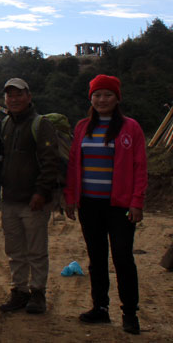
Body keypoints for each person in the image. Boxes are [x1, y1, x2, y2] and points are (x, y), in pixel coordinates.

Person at [64, 75, 146, 335]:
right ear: (91, 98)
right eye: (97, 95)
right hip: (89, 204)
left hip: (119, 206)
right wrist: (70, 197)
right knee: (96, 258)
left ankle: (130, 313)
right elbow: (74, 164)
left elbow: (140, 167)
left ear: (117, 98)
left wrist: (137, 202)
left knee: (123, 257)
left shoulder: (130, 128)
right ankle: (100, 307)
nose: (102, 100)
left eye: (107, 95)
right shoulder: (82, 127)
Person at [0, 78, 64, 315]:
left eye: (18, 94)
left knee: (36, 249)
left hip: (34, 200)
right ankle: (19, 290)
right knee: (14, 250)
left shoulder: (40, 124)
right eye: (9, 95)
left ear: (29, 96)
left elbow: (50, 162)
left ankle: (38, 292)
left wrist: (41, 192)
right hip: (10, 199)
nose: (13, 99)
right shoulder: (6, 124)